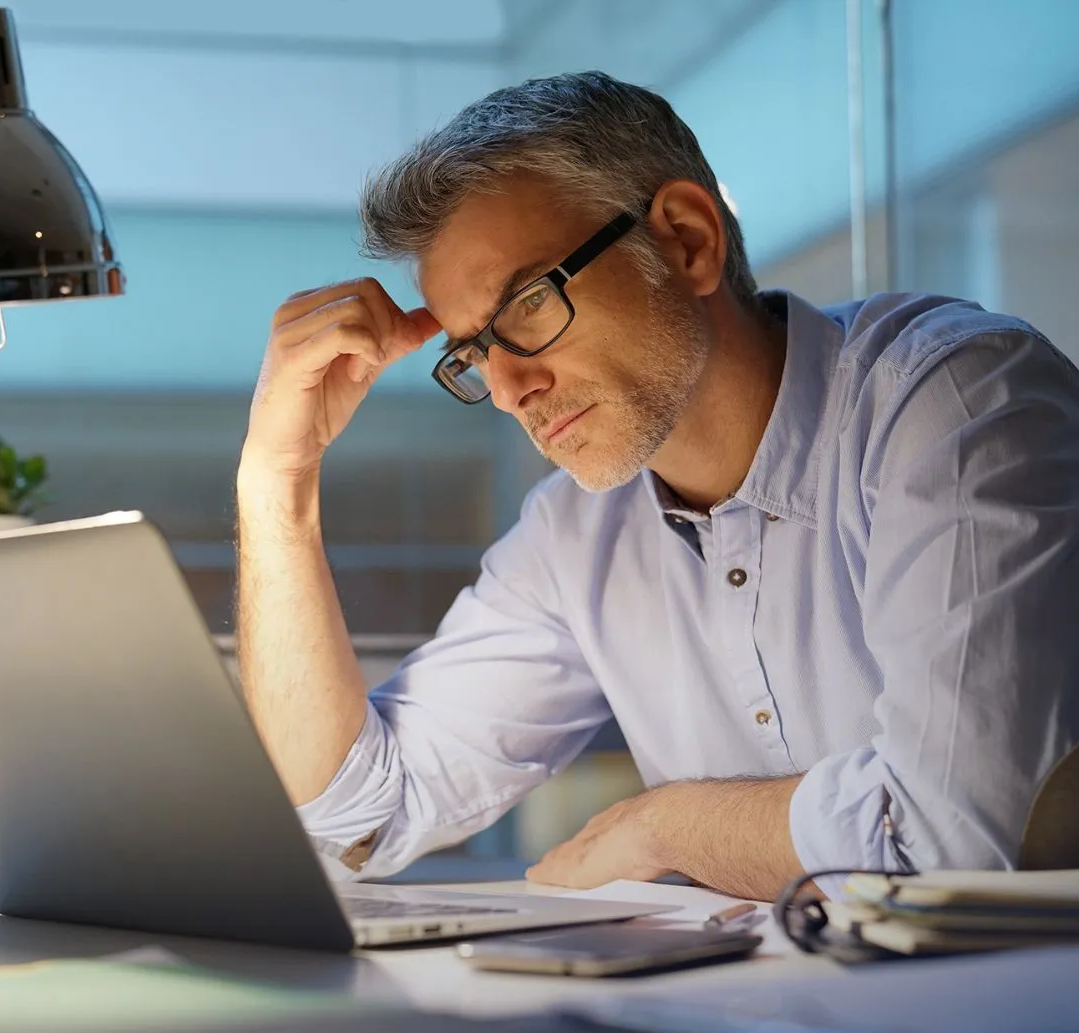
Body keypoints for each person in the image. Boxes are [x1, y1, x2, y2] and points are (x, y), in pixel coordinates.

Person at [233, 71, 1079, 900]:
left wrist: (665, 828)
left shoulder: (954, 403)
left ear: (686, 240)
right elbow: (356, 818)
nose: (506, 388)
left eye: (528, 303)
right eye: (471, 351)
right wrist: (279, 484)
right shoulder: (577, 534)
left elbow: (960, 840)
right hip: (747, 1032)